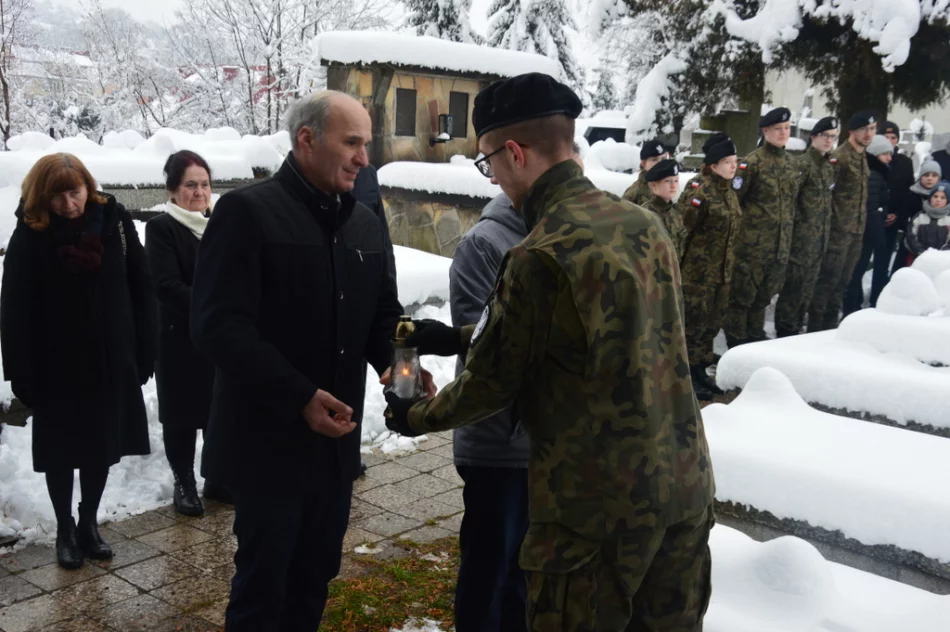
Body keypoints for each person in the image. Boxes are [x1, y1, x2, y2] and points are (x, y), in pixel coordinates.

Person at [385, 73, 715, 631]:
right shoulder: (644, 227)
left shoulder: (541, 251)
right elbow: (591, 334)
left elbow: (492, 383)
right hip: (683, 490)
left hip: (595, 514)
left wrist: (412, 415)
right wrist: (454, 335)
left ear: (514, 152)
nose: (493, 178)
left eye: (488, 162)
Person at [190, 91, 404, 631]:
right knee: (263, 589)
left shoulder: (366, 223)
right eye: (351, 142)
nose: (363, 158)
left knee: (314, 579)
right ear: (307, 140)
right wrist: (299, 396)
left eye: (367, 145)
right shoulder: (247, 212)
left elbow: (382, 315)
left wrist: (398, 361)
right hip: (267, 446)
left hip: (334, 451)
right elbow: (218, 325)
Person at [0, 153, 154, 569]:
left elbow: (141, 286)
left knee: (102, 446)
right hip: (56, 366)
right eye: (57, 196)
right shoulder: (30, 233)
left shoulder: (114, 223)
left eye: (75, 192)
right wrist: (19, 372)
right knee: (62, 452)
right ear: (41, 196)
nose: (68, 204)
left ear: (89, 187)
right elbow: (13, 307)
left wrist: (145, 350)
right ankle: (65, 529)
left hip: (111, 357)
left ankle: (89, 522)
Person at [449, 192, 530, 632]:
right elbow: (484, 344)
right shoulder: (485, 244)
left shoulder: (558, 237)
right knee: (489, 572)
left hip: (546, 443)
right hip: (499, 441)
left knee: (525, 575)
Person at [145, 150, 230, 517]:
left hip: (220, 339)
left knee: (218, 411)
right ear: (172, 190)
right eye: (190, 185)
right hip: (180, 338)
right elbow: (166, 286)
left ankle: (216, 479)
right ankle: (184, 483)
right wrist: (218, 304)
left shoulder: (220, 226)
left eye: (205, 184)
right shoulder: (162, 228)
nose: (199, 192)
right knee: (181, 417)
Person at [723, 107, 799, 347]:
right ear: (766, 131)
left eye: (787, 128)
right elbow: (736, 202)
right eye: (778, 129)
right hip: (753, 248)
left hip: (779, 247)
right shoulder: (751, 164)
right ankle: (737, 343)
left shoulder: (791, 164)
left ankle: (755, 339)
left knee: (763, 298)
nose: (783, 133)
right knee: (742, 298)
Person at [678, 133, 742, 400]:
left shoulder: (729, 192)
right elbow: (682, 230)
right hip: (697, 275)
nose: (733, 166)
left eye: (735, 161)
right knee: (693, 325)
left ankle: (700, 370)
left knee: (710, 324)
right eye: (727, 161)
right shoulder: (700, 190)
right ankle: (687, 376)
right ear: (713, 165)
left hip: (721, 274)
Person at [808, 111, 875, 331]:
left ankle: (830, 328)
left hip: (855, 231)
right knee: (827, 282)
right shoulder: (840, 157)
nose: (868, 134)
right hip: (838, 231)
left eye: (872, 129)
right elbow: (827, 193)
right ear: (851, 132)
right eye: (863, 129)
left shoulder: (862, 156)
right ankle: (815, 330)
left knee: (842, 283)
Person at [351, 164, 397, 477]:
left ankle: (347, 450)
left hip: (359, 304)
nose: (361, 155)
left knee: (348, 386)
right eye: (352, 142)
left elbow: (380, 242)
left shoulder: (365, 173)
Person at [775, 117, 839, 337]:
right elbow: (791, 202)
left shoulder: (827, 166)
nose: (829, 140)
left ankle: (795, 330)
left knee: (807, 292)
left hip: (818, 242)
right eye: (825, 136)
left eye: (832, 137)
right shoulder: (803, 165)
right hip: (801, 242)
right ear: (814, 137)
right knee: (793, 291)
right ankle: (784, 332)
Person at [843, 135, 892, 315]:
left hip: (866, 232)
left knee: (857, 271)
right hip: (866, 233)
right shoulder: (873, 175)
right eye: (885, 154)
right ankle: (851, 308)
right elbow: (870, 209)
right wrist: (879, 238)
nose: (889, 158)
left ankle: (853, 305)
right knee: (856, 271)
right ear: (875, 154)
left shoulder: (876, 173)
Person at [881, 122, 915, 276]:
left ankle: (877, 295)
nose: (889, 140)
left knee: (884, 259)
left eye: (893, 137)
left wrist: (898, 215)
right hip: (872, 217)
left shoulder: (905, 163)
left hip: (893, 218)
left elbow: (908, 191)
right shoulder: (869, 160)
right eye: (885, 136)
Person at [895, 161, 942, 271]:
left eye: (934, 175)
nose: (929, 178)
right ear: (920, 177)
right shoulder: (911, 194)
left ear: (939, 178)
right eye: (926, 175)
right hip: (913, 240)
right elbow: (903, 217)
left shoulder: (943, 196)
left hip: (938, 240)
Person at [643, 158, 685, 254]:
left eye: (676, 181)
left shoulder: (675, 212)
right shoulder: (646, 213)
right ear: (654, 185)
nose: (673, 186)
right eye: (667, 181)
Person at [905, 180, 950, 257]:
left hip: (943, 259)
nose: (938, 200)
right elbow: (910, 237)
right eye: (935, 196)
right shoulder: (919, 217)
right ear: (930, 198)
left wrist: (941, 254)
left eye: (943, 198)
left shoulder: (948, 219)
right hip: (919, 257)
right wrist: (920, 251)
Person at [622, 138, 670, 206]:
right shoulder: (635, 192)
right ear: (644, 163)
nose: (660, 163)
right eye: (654, 159)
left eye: (663, 159)